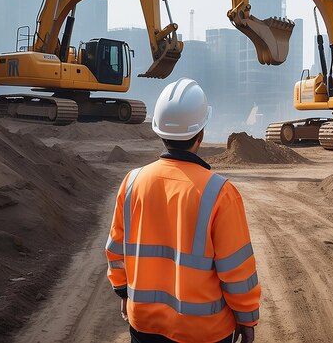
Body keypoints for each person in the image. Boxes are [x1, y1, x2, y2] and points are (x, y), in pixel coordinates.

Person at [105, 78, 260, 343]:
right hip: (204, 332)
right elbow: (237, 270)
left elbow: (116, 251)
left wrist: (123, 292)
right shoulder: (220, 193)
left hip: (144, 325)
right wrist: (247, 319)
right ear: (201, 134)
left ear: (159, 130)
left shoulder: (131, 182)